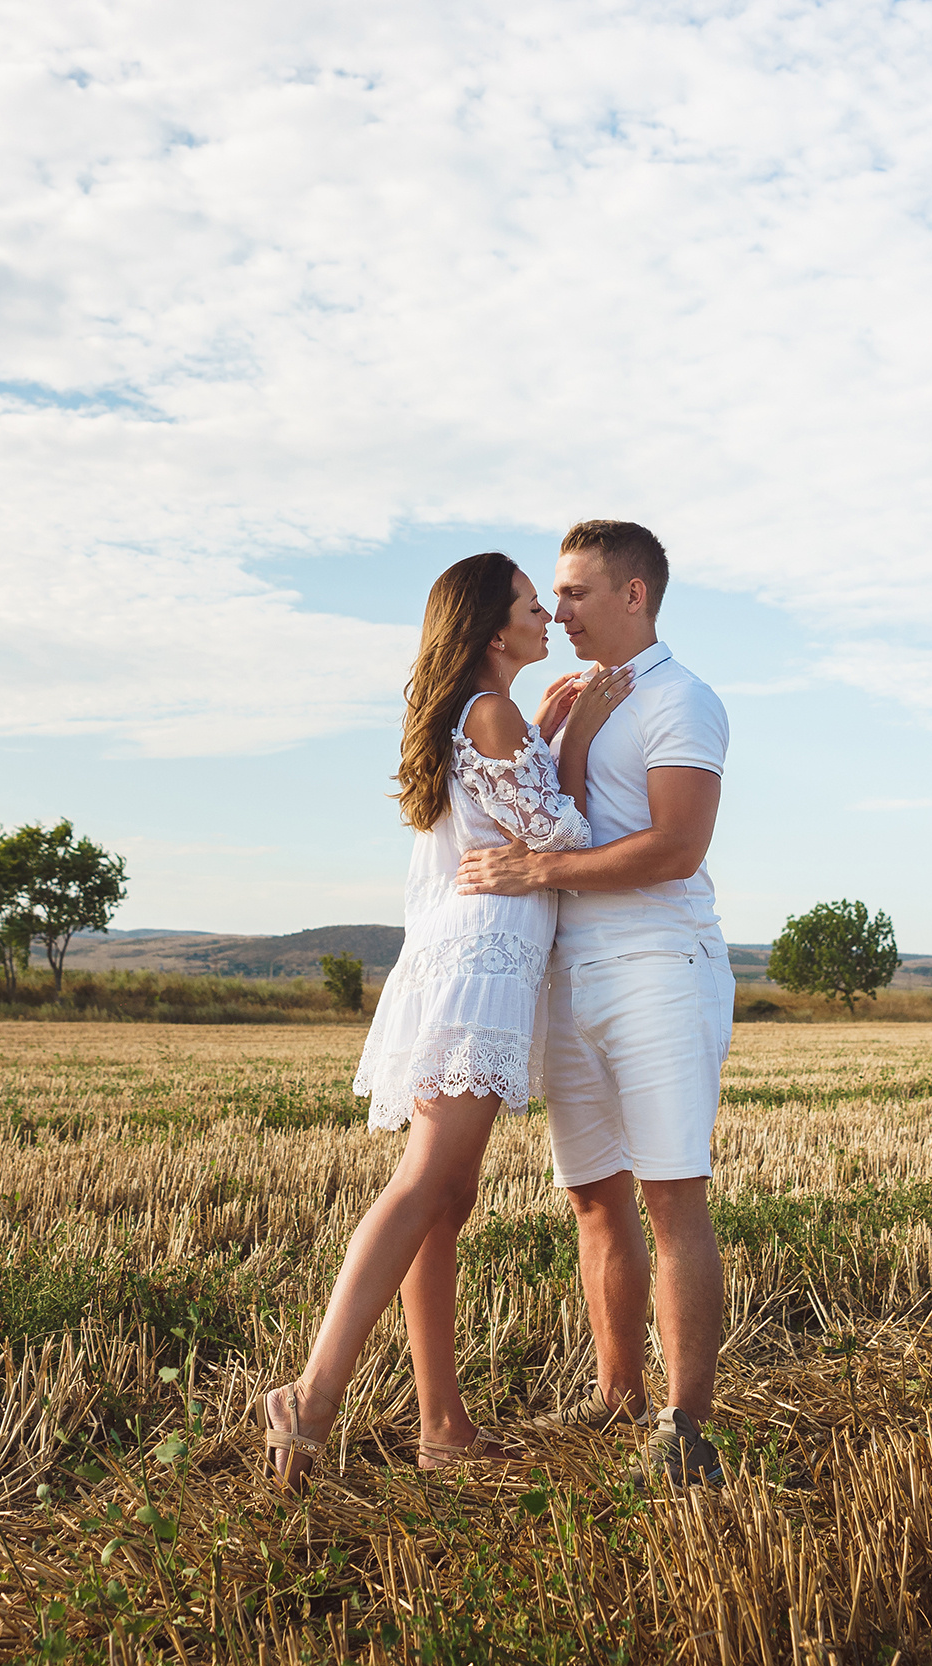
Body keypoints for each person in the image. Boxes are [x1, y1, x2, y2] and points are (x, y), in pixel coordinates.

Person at [260, 551, 635, 1490]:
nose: (546, 613)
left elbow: (517, 814)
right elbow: (565, 836)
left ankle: (442, 1426)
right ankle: (310, 1398)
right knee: (427, 1184)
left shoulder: (477, 714)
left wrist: (545, 735)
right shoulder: (492, 711)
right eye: (526, 603)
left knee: (444, 1200)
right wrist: (580, 729)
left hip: (459, 961)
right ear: (488, 627)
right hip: (483, 968)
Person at [456, 519, 733, 1489]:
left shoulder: (683, 700)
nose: (557, 610)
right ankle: (616, 1392)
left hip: (660, 963)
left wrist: (541, 865)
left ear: (634, 596)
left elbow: (675, 846)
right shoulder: (567, 701)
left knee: (670, 1194)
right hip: (570, 974)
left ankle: (683, 1424)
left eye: (574, 592)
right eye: (553, 595)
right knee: (592, 1198)